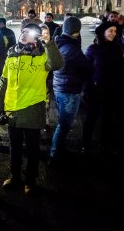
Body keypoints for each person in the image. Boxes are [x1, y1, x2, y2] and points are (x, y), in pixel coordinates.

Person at [0, 23, 63, 196]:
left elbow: (57, 64)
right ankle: (15, 177)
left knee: (32, 148)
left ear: (38, 37)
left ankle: (30, 180)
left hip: (33, 108)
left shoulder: (42, 55)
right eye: (23, 31)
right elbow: (4, 81)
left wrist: (50, 43)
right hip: (12, 109)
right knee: (15, 147)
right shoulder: (11, 53)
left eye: (29, 32)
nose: (24, 34)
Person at [49, 17, 91, 166]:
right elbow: (85, 67)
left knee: (62, 122)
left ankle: (59, 149)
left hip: (60, 87)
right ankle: (54, 155)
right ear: (76, 30)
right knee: (64, 125)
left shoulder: (59, 42)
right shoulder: (72, 49)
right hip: (70, 90)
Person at [82, 21, 124, 155]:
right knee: (91, 118)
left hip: (112, 90)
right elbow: (86, 71)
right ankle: (86, 145)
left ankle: (105, 143)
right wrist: (87, 90)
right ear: (103, 32)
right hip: (96, 91)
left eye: (115, 31)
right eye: (110, 31)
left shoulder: (117, 48)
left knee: (108, 119)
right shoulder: (93, 49)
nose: (113, 34)